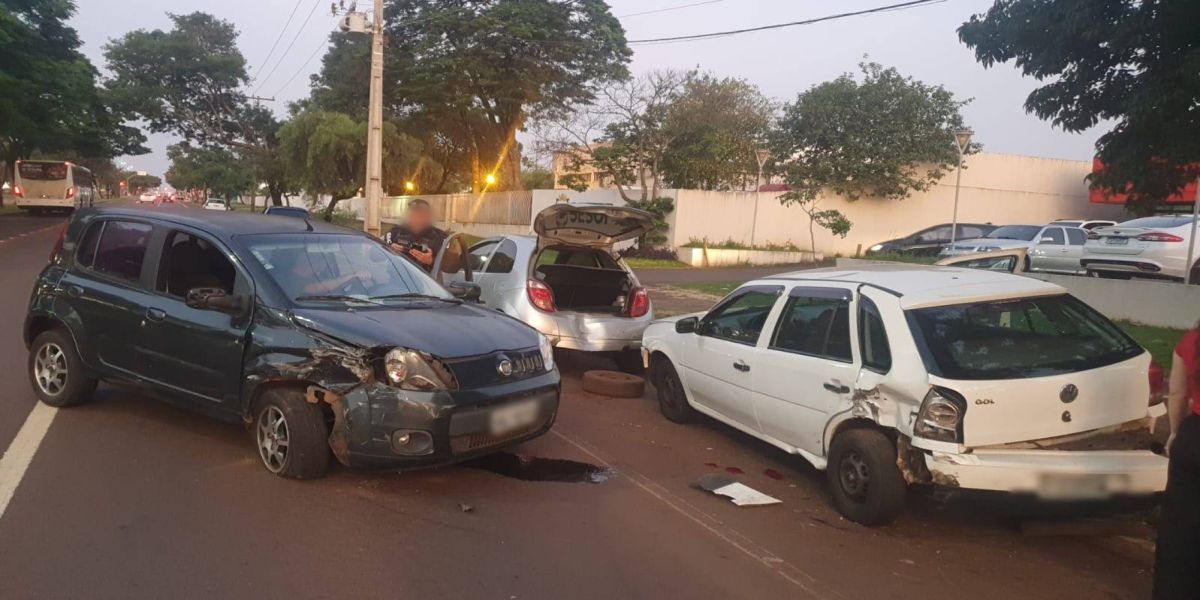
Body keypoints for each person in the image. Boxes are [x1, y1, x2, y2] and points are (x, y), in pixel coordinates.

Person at [1154, 322, 1200, 599]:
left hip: (1194, 437)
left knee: (1181, 527)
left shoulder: (1191, 341)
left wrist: (1174, 432)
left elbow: (1178, 393)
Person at [384, 199, 447, 273]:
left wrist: (431, 261)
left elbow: (451, 268)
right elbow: (374, 257)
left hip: (425, 282)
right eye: (412, 215)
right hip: (397, 281)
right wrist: (389, 251)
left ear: (428, 217)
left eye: (420, 216)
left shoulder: (439, 237)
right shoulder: (395, 232)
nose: (415, 219)